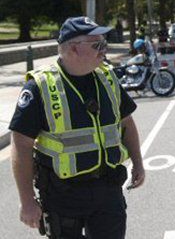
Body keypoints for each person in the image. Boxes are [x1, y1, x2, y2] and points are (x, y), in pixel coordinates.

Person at [10, 16, 145, 238]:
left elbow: (126, 123)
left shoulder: (107, 78)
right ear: (74, 49)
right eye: (98, 45)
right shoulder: (40, 87)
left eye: (105, 43)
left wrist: (138, 163)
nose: (105, 50)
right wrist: (26, 201)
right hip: (62, 195)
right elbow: (21, 144)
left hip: (108, 189)